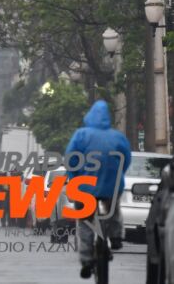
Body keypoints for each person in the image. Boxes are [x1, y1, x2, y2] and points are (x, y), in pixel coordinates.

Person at [65, 99, 131, 280]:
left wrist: (74, 178)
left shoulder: (81, 135)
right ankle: (116, 237)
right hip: (112, 185)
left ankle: (86, 259)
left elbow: (71, 158)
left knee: (85, 221)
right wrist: (119, 175)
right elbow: (126, 159)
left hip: (85, 188)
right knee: (114, 208)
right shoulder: (118, 137)